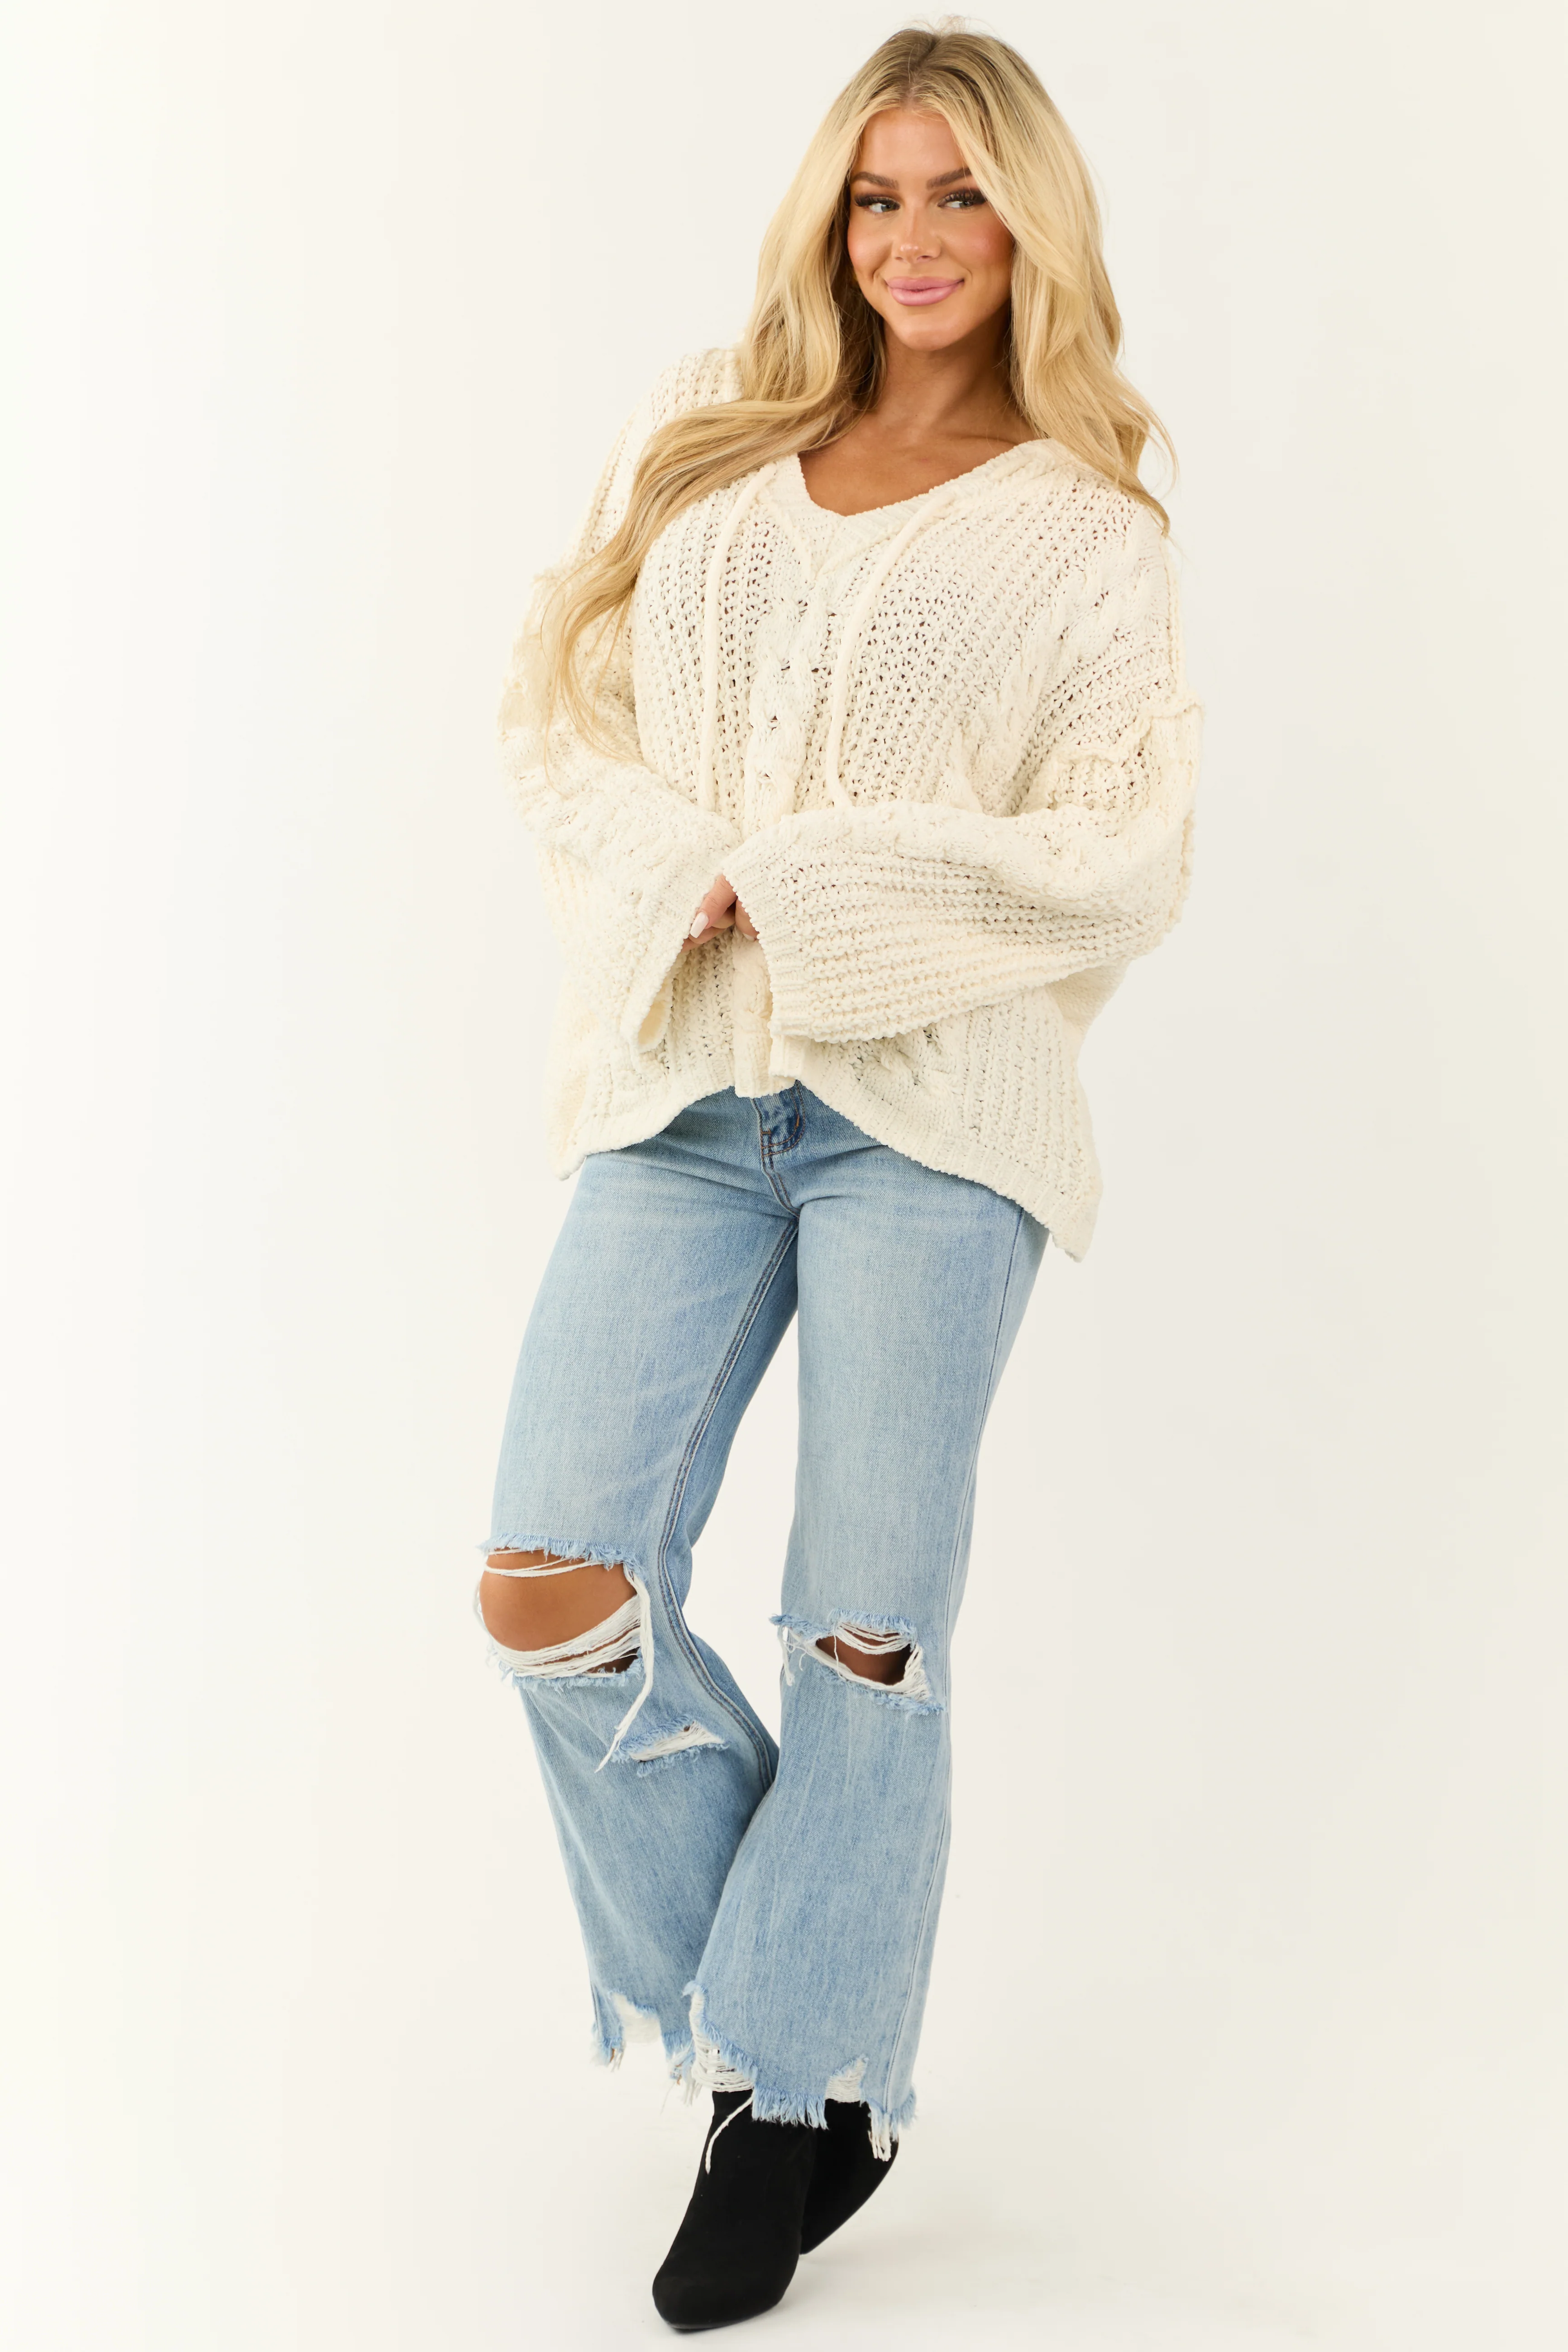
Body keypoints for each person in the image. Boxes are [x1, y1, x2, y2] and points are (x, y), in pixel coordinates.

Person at [478, 22, 1202, 2332]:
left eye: (960, 195)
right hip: (681, 1092)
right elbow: (557, 719)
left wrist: (816, 886)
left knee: (861, 1633)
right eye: (877, 195)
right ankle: (805, 2045)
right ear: (828, 213)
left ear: (1029, 221)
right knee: (547, 1577)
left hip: (938, 1122)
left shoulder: (1088, 529)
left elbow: (1118, 857)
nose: (912, 239)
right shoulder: (706, 435)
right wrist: (689, 873)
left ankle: (781, 2095)